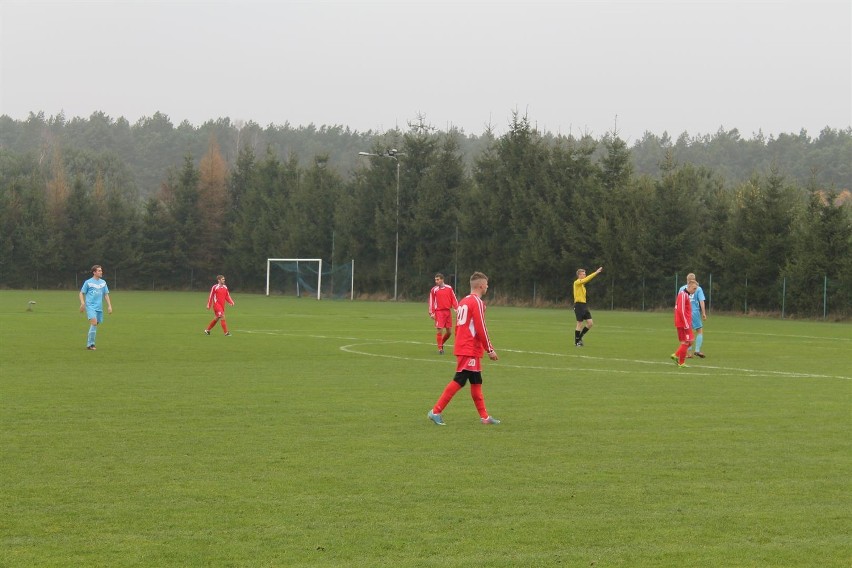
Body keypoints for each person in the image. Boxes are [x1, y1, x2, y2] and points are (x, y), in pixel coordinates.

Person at [427, 271, 500, 426]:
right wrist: (490, 349)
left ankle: (485, 417)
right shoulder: (477, 302)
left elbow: (459, 327)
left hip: (466, 346)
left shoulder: (463, 301)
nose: (487, 287)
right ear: (481, 286)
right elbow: (481, 327)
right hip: (469, 348)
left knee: (476, 381)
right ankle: (435, 411)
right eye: (486, 285)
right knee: (460, 380)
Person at [79, 264, 113, 350]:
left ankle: (90, 343)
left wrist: (109, 306)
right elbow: (81, 293)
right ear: (94, 272)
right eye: (99, 271)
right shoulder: (88, 282)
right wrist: (83, 303)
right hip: (90, 306)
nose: (101, 272)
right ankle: (91, 344)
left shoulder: (103, 282)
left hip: (99, 307)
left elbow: (106, 294)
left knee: (94, 325)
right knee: (94, 323)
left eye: (101, 270)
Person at [428, 272, 459, 354]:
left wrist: (456, 308)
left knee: (449, 332)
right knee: (439, 331)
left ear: (442, 280)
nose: (436, 281)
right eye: (435, 280)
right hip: (439, 312)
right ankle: (440, 349)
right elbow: (431, 301)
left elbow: (453, 298)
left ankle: (441, 344)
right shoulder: (434, 290)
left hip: (448, 312)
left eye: (438, 280)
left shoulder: (449, 288)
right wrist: (431, 313)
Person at [679, 273, 708, 358]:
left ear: (687, 280)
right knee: (699, 331)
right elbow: (701, 301)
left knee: (688, 332)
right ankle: (697, 350)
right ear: (694, 280)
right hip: (694, 312)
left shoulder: (681, 288)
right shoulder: (698, 288)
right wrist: (703, 313)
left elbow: (678, 301)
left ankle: (689, 353)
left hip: (685, 313)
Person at [573, 266, 603, 346]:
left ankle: (580, 337)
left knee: (590, 323)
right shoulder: (577, 283)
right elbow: (586, 280)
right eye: (583, 274)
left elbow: (585, 280)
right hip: (578, 305)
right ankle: (577, 342)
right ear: (579, 275)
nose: (585, 275)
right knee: (579, 323)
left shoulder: (582, 286)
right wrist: (596, 273)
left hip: (584, 305)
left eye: (585, 274)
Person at [671, 280, 698, 367]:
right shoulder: (683, 294)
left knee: (689, 341)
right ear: (689, 287)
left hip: (684, 322)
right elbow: (681, 310)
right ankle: (681, 362)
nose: (694, 291)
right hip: (683, 323)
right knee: (687, 341)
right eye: (694, 288)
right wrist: (686, 323)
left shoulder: (685, 295)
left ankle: (677, 356)